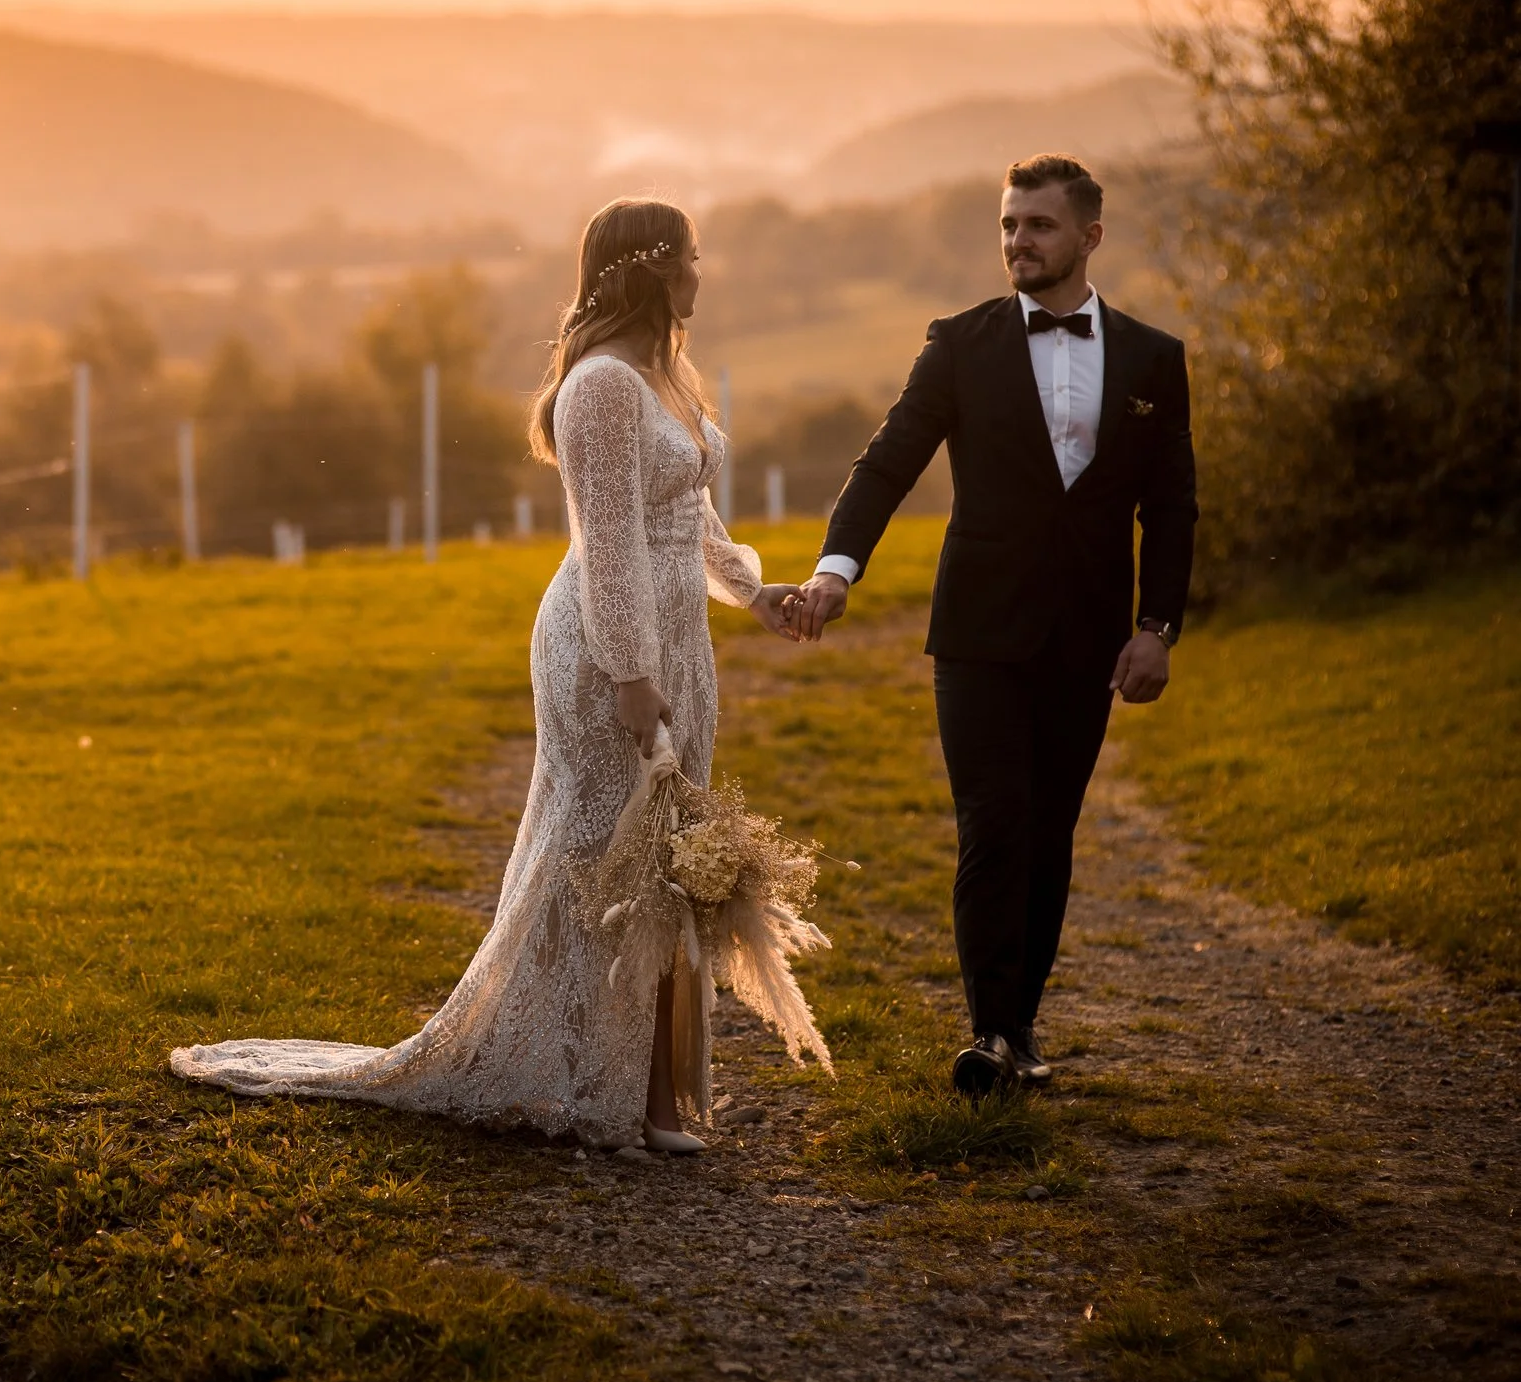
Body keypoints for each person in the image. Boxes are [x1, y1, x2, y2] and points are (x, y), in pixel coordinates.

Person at [171, 198, 803, 1152]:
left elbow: (687, 514)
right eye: (696, 257)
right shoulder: (598, 388)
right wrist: (631, 674)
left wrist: (753, 591)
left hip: (680, 638)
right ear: (654, 268)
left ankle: (650, 1093)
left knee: (670, 859)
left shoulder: (664, 376)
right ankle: (588, 1079)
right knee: (596, 855)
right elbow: (611, 547)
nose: (705, 274)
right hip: (605, 645)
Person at [787, 153, 1197, 1096]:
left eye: (1040, 226)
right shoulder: (958, 344)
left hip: (1088, 638)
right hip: (975, 632)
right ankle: (986, 1032)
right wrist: (836, 569)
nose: (1019, 241)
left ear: (1090, 236)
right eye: (1009, 224)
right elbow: (887, 461)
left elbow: (1171, 509)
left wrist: (1156, 629)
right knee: (994, 822)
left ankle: (1018, 1026)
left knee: (1051, 829)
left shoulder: (1153, 359)